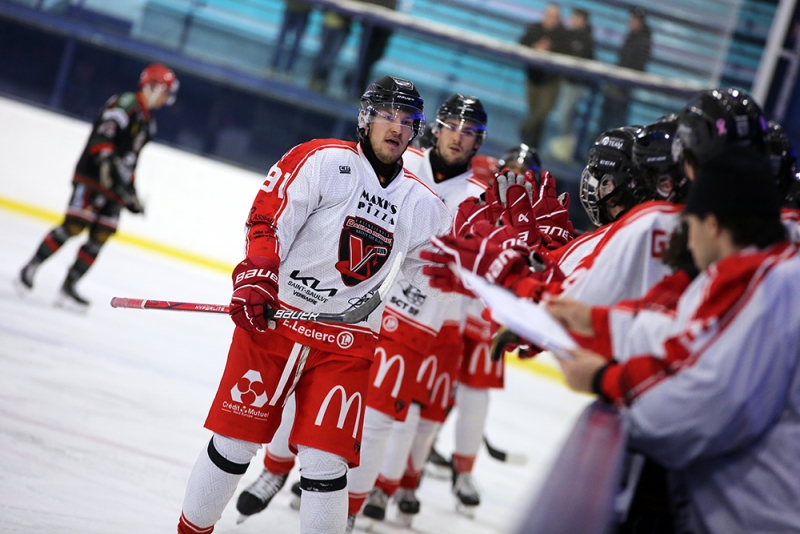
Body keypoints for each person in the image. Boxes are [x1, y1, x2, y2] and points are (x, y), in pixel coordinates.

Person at [176, 75, 455, 534]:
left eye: (408, 120)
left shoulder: (423, 205)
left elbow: (439, 279)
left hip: (345, 340)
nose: (397, 127)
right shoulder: (323, 159)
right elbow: (268, 217)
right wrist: (257, 277)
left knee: (327, 464)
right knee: (235, 444)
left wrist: (486, 255)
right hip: (277, 322)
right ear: (366, 117)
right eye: (387, 115)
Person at [550, 148, 800, 534]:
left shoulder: (770, 284)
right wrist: (594, 320)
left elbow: (699, 404)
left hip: (764, 515)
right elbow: (686, 337)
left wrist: (603, 379)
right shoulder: (757, 272)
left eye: (690, 223)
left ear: (713, 224)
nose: (685, 237)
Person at [16, 63, 179, 307]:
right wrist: (105, 163)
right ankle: (31, 266)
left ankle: (69, 285)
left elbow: (130, 162)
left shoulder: (147, 124)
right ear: (152, 87)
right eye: (165, 92)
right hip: (92, 176)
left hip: (115, 187)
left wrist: (131, 193)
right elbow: (102, 136)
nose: (166, 99)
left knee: (101, 234)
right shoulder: (125, 104)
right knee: (74, 225)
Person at [519, 3, 568, 148]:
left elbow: (567, 54)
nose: (551, 19)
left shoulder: (563, 35)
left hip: (550, 82)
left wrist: (549, 51)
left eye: (554, 17)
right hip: (533, 78)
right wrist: (535, 48)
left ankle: (525, 131)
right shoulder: (535, 29)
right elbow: (522, 43)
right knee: (535, 114)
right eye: (548, 16)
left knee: (541, 114)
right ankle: (531, 147)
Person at [548, 7, 595, 162]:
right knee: (566, 116)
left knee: (565, 115)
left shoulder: (586, 39)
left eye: (576, 17)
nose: (573, 20)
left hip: (577, 84)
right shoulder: (570, 35)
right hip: (567, 82)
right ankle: (566, 148)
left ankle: (567, 149)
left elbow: (584, 60)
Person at [596, 6, 651, 135]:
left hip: (622, 89)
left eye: (633, 19)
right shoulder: (633, 37)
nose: (630, 21)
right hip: (618, 86)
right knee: (610, 121)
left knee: (615, 123)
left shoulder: (641, 41)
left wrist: (622, 85)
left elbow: (636, 67)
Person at [347, 0, 398, 97]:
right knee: (366, 53)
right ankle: (357, 83)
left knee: (376, 54)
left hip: (388, 16)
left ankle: (355, 80)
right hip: (372, 14)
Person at [308, 9, 353, 92]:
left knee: (332, 55)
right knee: (323, 52)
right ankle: (316, 77)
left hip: (343, 26)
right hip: (328, 23)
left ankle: (322, 79)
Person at [269, 1, 312, 76]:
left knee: (296, 43)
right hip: (291, 8)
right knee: (282, 39)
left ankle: (288, 69)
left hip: (304, 11)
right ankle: (274, 66)